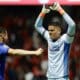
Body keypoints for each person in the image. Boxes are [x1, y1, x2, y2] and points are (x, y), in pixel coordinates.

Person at [34, 2, 76, 80]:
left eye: (52, 30)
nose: (49, 32)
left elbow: (72, 25)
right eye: (49, 30)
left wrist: (59, 9)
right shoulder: (48, 37)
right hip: (50, 77)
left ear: (59, 31)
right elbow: (37, 26)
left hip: (62, 77)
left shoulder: (66, 39)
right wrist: (42, 13)